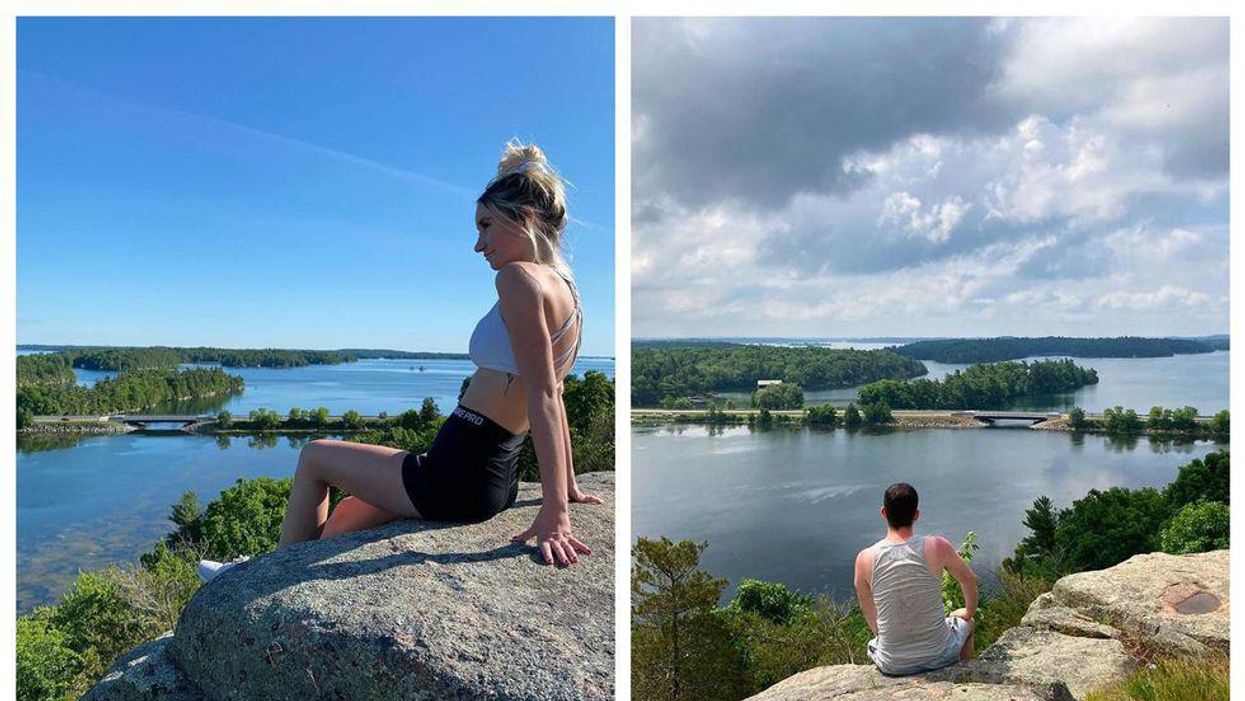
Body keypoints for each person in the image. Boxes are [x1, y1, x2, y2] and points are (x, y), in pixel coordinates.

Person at [199, 139, 602, 582]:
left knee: (315, 457)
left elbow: (544, 393)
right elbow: (555, 391)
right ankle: (277, 570)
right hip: (490, 473)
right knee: (352, 511)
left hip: (457, 473)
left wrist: (556, 512)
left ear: (523, 219)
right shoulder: (568, 288)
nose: (478, 244)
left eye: (485, 226)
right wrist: (568, 486)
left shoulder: (518, 278)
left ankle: (258, 581)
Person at [853, 482, 978, 676]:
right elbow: (968, 580)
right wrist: (968, 611)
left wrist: (886, 637)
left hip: (892, 663)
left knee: (873, 643)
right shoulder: (937, 546)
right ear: (916, 514)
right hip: (940, 654)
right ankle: (966, 676)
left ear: (884, 513)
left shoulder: (864, 559)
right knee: (968, 624)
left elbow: (869, 612)